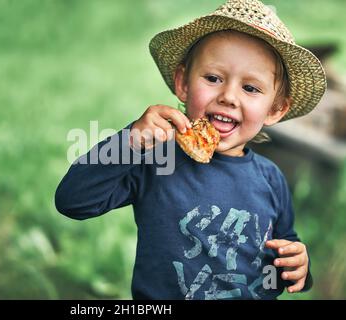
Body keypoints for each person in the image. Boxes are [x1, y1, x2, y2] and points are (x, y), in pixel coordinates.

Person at [55, 0, 326, 299]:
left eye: (250, 88)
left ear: (275, 109)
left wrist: (299, 267)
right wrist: (129, 141)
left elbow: (279, 264)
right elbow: (73, 201)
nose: (228, 97)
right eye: (213, 78)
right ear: (183, 83)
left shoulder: (272, 180)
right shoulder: (158, 161)